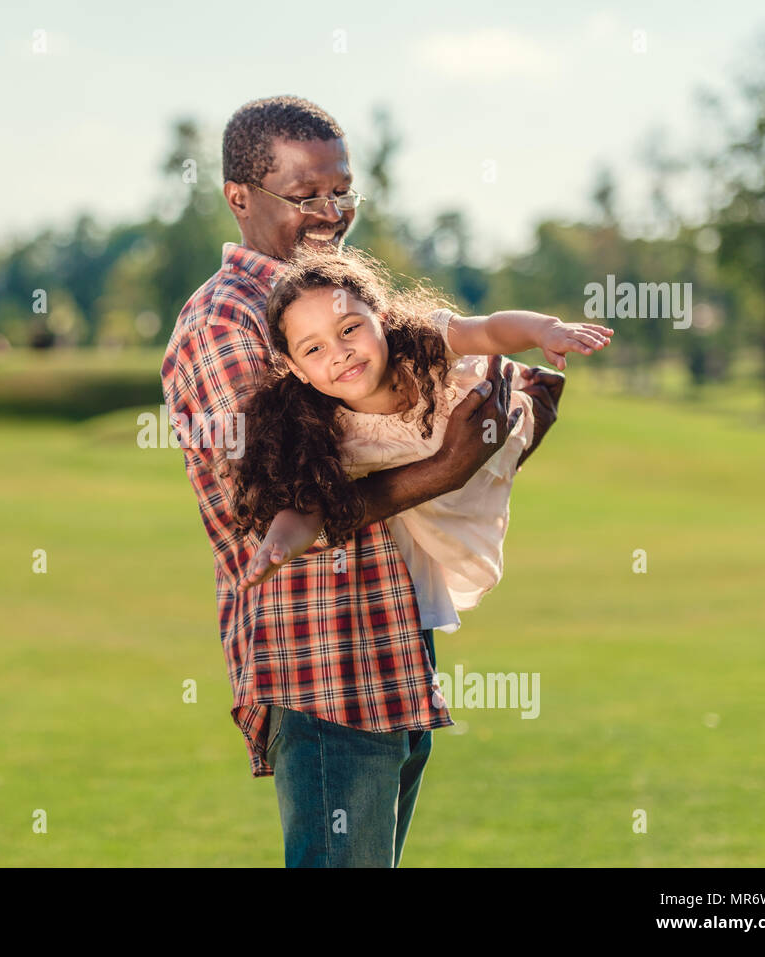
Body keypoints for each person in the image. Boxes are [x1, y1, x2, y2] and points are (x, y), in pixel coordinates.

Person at [159, 95, 563, 867]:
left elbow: (411, 416)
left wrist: (496, 431)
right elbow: (271, 504)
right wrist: (445, 463)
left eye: (343, 191)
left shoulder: (338, 301)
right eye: (305, 195)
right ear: (239, 197)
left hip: (392, 644)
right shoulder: (225, 321)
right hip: (319, 659)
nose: (331, 211)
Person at [230, 248, 611, 642]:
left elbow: (490, 330)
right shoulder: (326, 432)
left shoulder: (424, 344)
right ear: (296, 369)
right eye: (314, 349)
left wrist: (544, 331)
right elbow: (306, 511)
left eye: (349, 329)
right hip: (441, 510)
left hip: (485, 433)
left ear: (382, 318)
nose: (340, 353)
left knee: (522, 405)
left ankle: (530, 395)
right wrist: (278, 545)